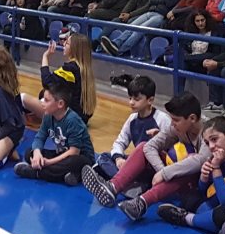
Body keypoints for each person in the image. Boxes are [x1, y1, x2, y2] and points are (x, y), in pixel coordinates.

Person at [81, 92, 207, 221]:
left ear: (192, 118)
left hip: (197, 184)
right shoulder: (176, 128)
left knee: (188, 163)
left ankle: (142, 202)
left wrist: (165, 173)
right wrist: (161, 170)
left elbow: (200, 160)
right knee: (141, 146)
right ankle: (113, 187)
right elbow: (149, 147)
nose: (172, 124)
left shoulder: (208, 133)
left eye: (176, 120)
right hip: (167, 176)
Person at [156, 116, 225, 233]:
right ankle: (208, 222)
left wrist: (216, 168)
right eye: (207, 142)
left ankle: (187, 219)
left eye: (214, 139)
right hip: (222, 201)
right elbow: (203, 191)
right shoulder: (219, 156)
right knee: (190, 199)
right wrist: (204, 177)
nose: (211, 146)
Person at [14, 82, 95, 185]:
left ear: (60, 104)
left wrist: (49, 162)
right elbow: (40, 137)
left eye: (46, 100)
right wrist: (37, 153)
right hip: (63, 153)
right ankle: (71, 175)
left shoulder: (72, 120)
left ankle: (37, 173)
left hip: (81, 158)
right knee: (28, 152)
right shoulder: (48, 115)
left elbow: (74, 151)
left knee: (73, 162)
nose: (42, 103)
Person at [94, 75, 171, 180]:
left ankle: (118, 180)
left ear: (150, 100)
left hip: (154, 165)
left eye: (136, 99)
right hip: (137, 163)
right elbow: (120, 142)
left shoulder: (162, 119)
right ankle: (124, 180)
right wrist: (118, 159)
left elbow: (172, 149)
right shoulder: (132, 119)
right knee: (104, 157)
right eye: (130, 98)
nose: (131, 102)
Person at [40, 31, 96, 123]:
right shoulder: (86, 69)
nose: (64, 44)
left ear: (74, 49)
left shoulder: (70, 69)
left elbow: (47, 82)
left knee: (24, 99)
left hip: (69, 118)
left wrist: (45, 56)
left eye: (67, 43)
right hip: (82, 117)